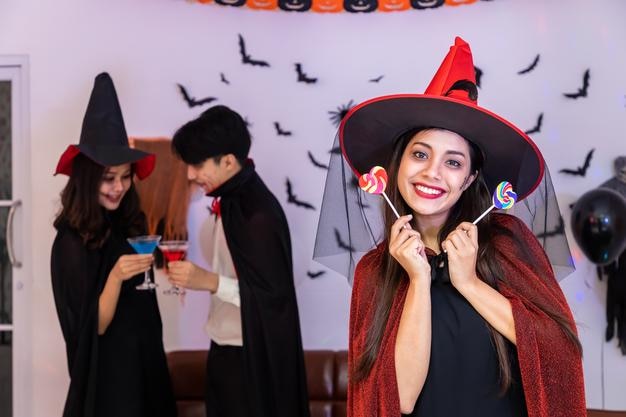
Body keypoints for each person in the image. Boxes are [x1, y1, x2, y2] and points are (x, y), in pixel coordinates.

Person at [316, 37, 586, 417]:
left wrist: (468, 283)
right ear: (397, 165)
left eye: (453, 162)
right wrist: (419, 281)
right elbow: (400, 400)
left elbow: (559, 355)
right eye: (421, 154)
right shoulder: (374, 272)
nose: (432, 173)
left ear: (470, 178)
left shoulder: (507, 241)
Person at [167, 105, 310, 417]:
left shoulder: (256, 214)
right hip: (226, 349)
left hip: (251, 359)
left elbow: (274, 298)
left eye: (197, 164)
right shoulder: (231, 203)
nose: (191, 174)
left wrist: (208, 282)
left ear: (229, 161)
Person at [51, 73, 176, 417]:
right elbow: (91, 329)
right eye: (108, 178)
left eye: (125, 176)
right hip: (108, 388)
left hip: (146, 371)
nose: (118, 187)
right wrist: (117, 276)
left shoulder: (127, 223)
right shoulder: (70, 243)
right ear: (88, 177)